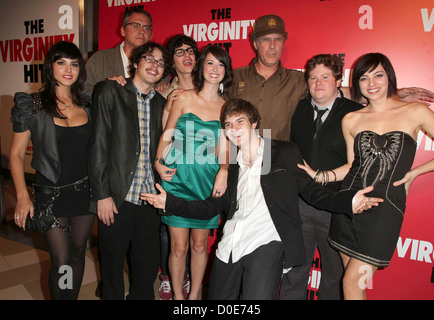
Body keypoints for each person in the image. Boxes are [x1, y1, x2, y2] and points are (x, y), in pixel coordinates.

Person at [141, 99, 383, 300]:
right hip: (231, 244)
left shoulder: (281, 152)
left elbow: (311, 192)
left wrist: (347, 201)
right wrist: (170, 203)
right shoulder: (230, 167)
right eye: (228, 124)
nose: (234, 129)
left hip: (267, 240)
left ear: (254, 124)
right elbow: (212, 206)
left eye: (240, 122)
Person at [324, 53, 434, 299]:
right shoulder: (351, 119)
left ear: (390, 77)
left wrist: (415, 172)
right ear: (357, 84)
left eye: (378, 75)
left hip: (385, 210)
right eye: (363, 78)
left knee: (352, 284)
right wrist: (320, 176)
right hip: (348, 205)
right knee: (354, 285)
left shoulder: (415, 111)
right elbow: (352, 166)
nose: (371, 83)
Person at [228, 14, 434, 141]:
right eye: (266, 40)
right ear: (255, 43)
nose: (272, 46)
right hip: (239, 158)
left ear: (283, 42)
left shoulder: (297, 80)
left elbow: (338, 92)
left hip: (278, 161)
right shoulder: (235, 77)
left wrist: (393, 95)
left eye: (278, 40)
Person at [9, 41, 94, 300]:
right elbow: (15, 154)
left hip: (85, 192)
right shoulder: (32, 105)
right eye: (61, 63)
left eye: (74, 63)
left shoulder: (88, 105)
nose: (68, 69)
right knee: (62, 259)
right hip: (51, 196)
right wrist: (23, 197)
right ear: (50, 66)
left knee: (78, 253)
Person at [279, 54, 364, 300]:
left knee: (335, 276)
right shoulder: (299, 108)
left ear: (339, 81)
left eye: (325, 77)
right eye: (313, 78)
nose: (318, 83)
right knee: (294, 271)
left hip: (337, 207)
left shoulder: (356, 113)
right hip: (301, 205)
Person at [88, 42, 168, 300]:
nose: (154, 65)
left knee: (145, 269)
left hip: (149, 199)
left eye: (160, 62)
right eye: (149, 59)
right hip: (117, 196)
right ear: (135, 62)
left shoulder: (162, 103)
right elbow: (98, 143)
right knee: (111, 267)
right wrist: (101, 194)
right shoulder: (111, 90)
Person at [153, 45, 233, 300]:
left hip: (206, 183)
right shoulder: (183, 97)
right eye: (210, 63)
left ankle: (195, 295)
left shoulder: (227, 107)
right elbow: (168, 133)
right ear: (201, 67)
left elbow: (225, 147)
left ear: (225, 71)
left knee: (200, 245)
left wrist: (223, 170)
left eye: (220, 65)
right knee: (178, 246)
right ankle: (178, 297)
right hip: (177, 179)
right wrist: (157, 161)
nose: (215, 69)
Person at [157, 34, 199, 300]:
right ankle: (170, 279)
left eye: (191, 51)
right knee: (170, 234)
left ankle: (191, 286)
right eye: (180, 52)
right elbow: (161, 133)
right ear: (171, 60)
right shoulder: (162, 89)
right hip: (172, 169)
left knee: (197, 240)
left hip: (202, 169)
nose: (187, 56)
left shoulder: (212, 83)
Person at [83, 8, 153, 96]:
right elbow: (83, 93)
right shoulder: (99, 60)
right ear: (123, 31)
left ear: (151, 35)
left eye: (146, 28)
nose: (142, 31)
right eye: (135, 26)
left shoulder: (158, 65)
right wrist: (106, 88)